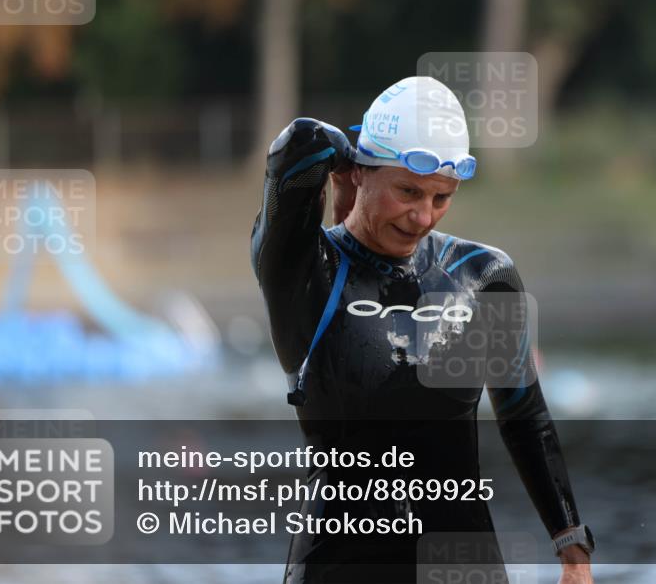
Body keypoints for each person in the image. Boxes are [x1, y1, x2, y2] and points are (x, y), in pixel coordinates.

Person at [251, 76, 594, 584]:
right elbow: (300, 143)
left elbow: (525, 416)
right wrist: (345, 164)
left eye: (442, 196)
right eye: (408, 191)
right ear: (361, 171)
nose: (422, 216)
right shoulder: (307, 271)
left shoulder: (482, 275)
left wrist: (573, 550)